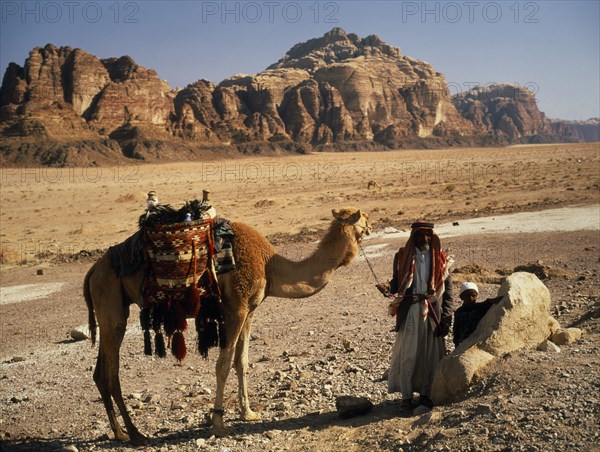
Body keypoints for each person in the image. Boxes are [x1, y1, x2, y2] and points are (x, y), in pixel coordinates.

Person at [376, 221, 456, 411]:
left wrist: (446, 317)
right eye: (420, 235)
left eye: (428, 235)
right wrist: (387, 290)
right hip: (411, 310)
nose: (424, 239)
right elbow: (398, 285)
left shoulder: (442, 259)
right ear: (414, 237)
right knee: (409, 355)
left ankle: (427, 395)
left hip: (432, 313)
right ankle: (406, 396)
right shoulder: (402, 256)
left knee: (431, 355)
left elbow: (448, 293)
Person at [453, 282, 503, 347]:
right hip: (463, 342)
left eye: (473, 296)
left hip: (476, 342)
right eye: (467, 296)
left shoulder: (479, 307)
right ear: (461, 297)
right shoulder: (459, 312)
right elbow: (456, 329)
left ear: (477, 296)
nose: (470, 298)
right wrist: (456, 344)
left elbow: (487, 303)